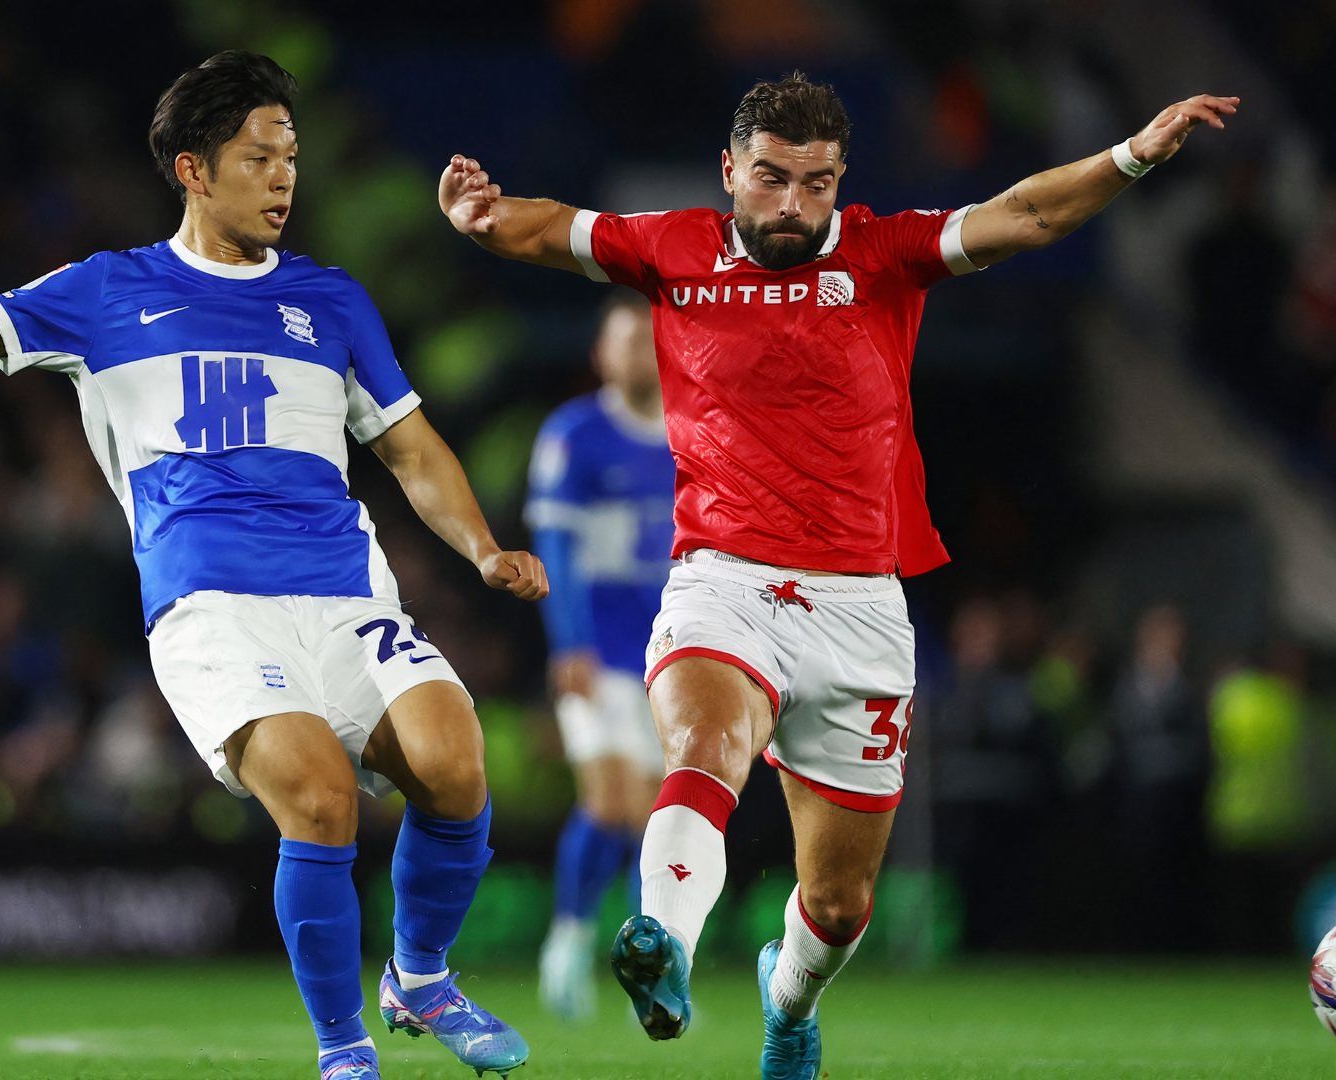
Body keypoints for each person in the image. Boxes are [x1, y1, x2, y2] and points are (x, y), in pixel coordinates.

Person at [0, 50, 541, 1080]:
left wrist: (483, 546)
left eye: (292, 158)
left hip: (344, 591)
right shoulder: (106, 292)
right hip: (213, 609)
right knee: (320, 798)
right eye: (260, 158)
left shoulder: (332, 301)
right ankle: (345, 1050)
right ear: (193, 169)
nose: (284, 179)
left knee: (453, 760)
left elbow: (408, 445)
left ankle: (421, 976)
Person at [438, 71, 1237, 1077]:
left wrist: (1133, 155)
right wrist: (482, 218)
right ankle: (663, 944)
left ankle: (790, 998)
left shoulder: (883, 253)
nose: (792, 206)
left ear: (840, 179)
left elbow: (1024, 216)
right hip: (720, 577)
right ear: (731, 171)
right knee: (703, 745)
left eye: (816, 183)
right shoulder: (677, 248)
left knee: (837, 902)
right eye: (771, 180)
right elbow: (554, 228)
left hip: (859, 606)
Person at [525, 292, 674, 1019]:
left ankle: (645, 974)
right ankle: (568, 944)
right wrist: (570, 641)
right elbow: (557, 546)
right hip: (601, 652)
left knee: (657, 821)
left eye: (650, 341)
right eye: (626, 341)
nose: (639, 353)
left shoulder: (695, 434)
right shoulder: (575, 434)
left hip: (671, 659)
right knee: (611, 803)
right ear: (601, 355)